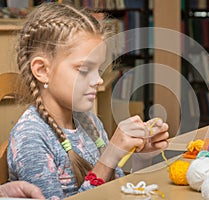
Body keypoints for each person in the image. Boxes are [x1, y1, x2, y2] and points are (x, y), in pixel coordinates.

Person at [7, 2, 169, 199]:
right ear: (42, 70)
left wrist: (141, 155)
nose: (98, 80)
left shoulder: (90, 122)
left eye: (98, 70)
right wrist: (109, 156)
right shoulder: (31, 137)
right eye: (84, 70)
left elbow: (114, 189)